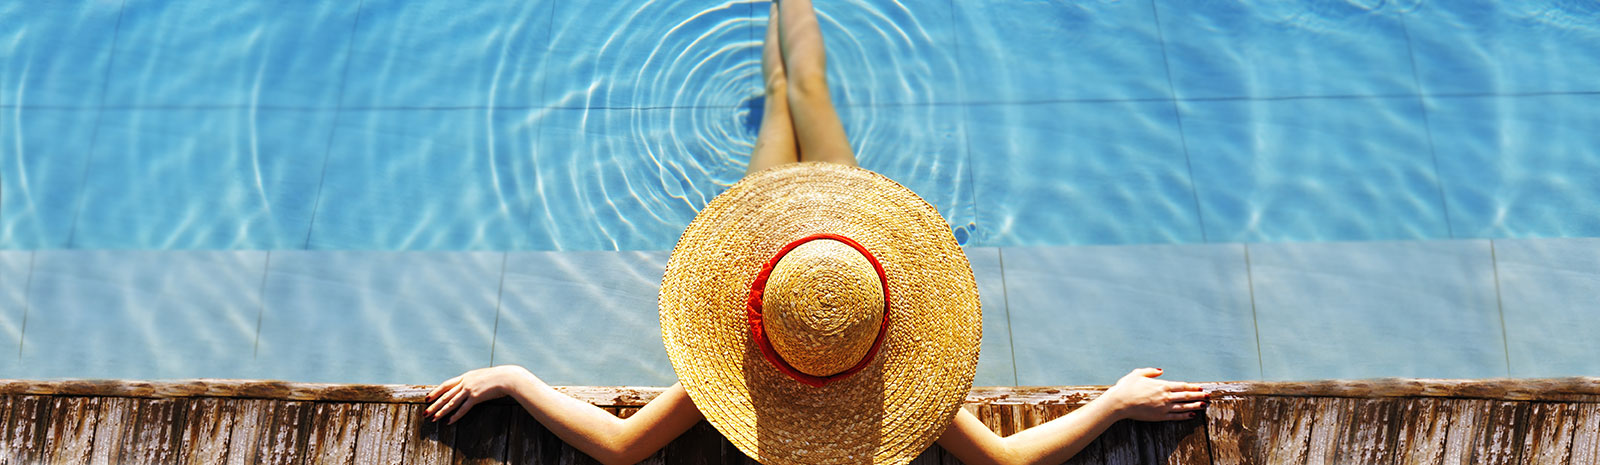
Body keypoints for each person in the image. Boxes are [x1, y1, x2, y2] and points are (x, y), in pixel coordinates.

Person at [426, 2, 1208, 464]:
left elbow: (622, 448)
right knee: (795, 92)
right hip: (805, 239)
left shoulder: (751, 370)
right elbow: (1002, 460)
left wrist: (517, 380)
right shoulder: (826, 369)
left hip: (801, 236)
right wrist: (1110, 403)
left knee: (790, 91)